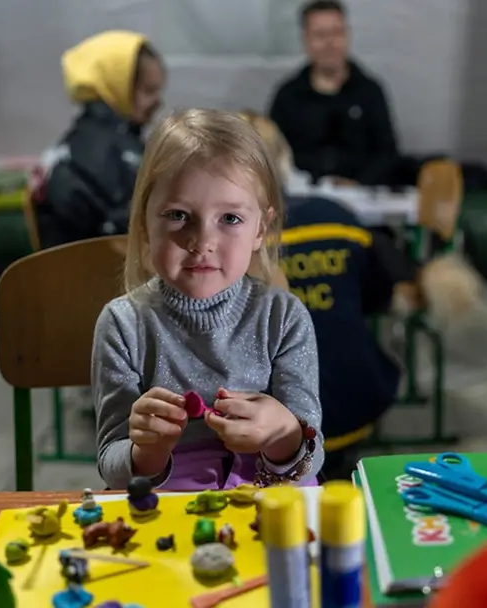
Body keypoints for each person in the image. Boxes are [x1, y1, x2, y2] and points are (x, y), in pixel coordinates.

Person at [239, 110, 481, 478]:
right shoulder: (337, 218)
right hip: (358, 400)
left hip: (274, 426)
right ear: (284, 160)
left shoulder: (221, 245)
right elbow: (391, 293)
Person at [92, 109, 325, 491]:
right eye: (178, 215)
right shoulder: (123, 325)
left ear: (259, 230)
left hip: (273, 503)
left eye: (230, 219)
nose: (202, 242)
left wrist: (283, 432)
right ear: (145, 223)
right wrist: (148, 450)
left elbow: (311, 454)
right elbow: (112, 463)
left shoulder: (284, 318)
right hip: (167, 509)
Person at [33, 31, 166, 248]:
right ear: (116, 87)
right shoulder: (110, 153)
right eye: (149, 90)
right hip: (99, 276)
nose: (158, 101)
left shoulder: (86, 140)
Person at [267, 1, 403, 187]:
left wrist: (358, 183)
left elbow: (387, 153)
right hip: (303, 198)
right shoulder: (288, 96)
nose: (330, 43)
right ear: (305, 39)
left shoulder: (369, 91)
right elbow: (273, 154)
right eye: (320, 35)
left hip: (364, 197)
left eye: (337, 33)